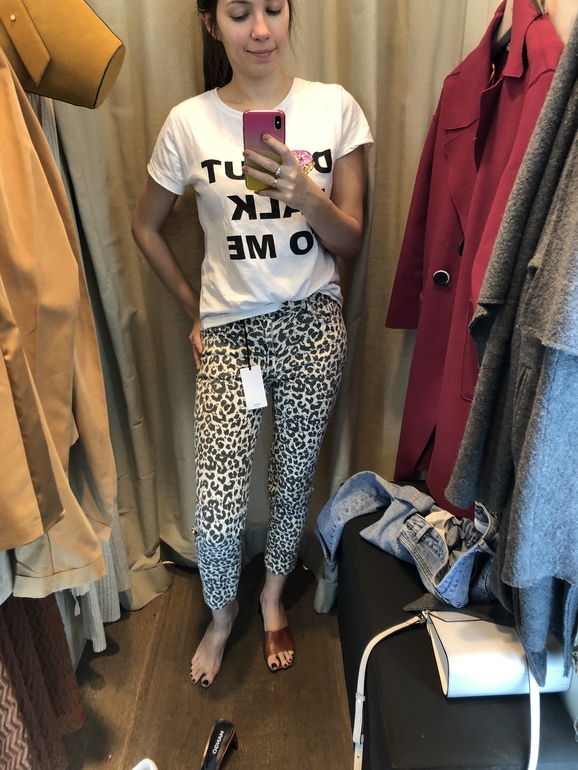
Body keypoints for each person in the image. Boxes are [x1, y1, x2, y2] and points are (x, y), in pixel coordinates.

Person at [131, 0, 373, 687]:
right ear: (213, 23)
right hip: (231, 334)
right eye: (240, 13)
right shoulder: (189, 122)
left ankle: (270, 596)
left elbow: (352, 240)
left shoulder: (334, 108)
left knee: (293, 478)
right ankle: (222, 611)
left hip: (310, 324)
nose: (261, 29)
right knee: (217, 502)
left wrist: (306, 194)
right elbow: (145, 226)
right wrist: (196, 310)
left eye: (274, 8)